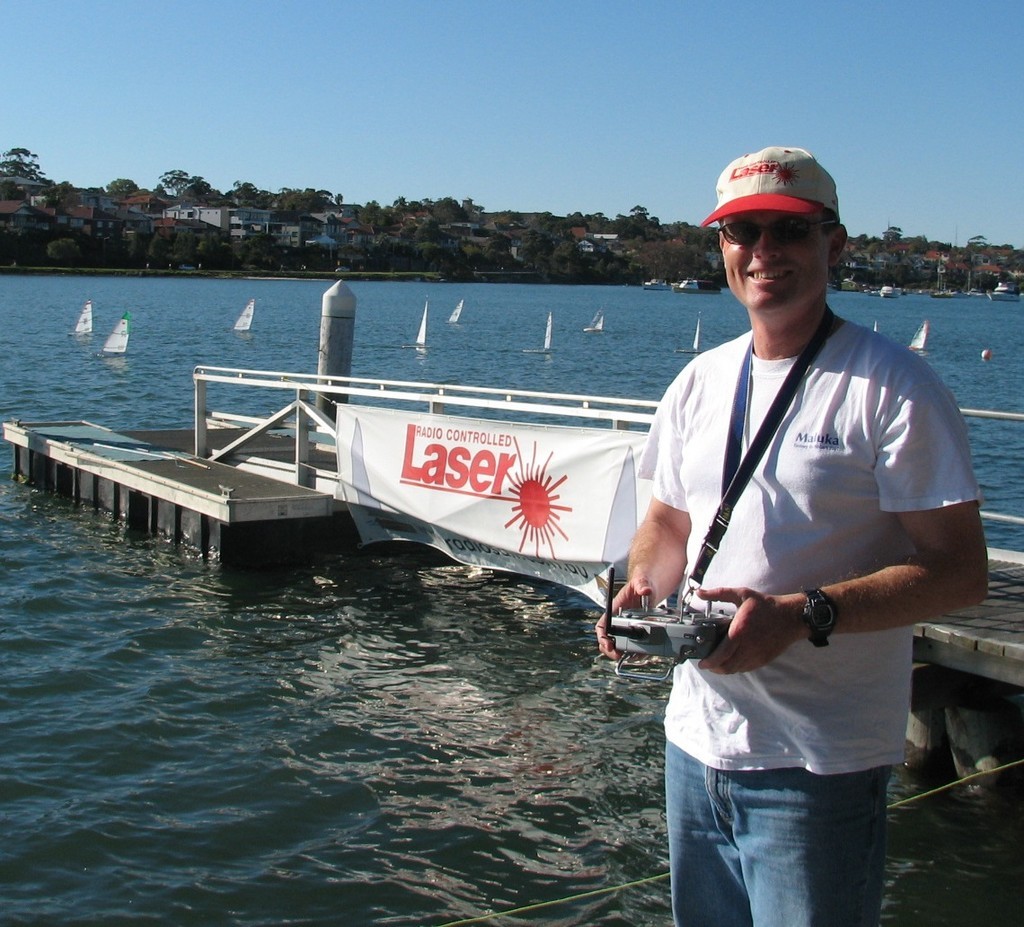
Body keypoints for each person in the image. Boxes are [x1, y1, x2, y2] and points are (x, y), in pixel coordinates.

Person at [596, 146, 988, 927]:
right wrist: (638, 586)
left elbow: (959, 572)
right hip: (693, 746)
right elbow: (668, 522)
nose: (764, 251)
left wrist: (804, 614)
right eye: (744, 231)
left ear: (834, 246)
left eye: (791, 231)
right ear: (722, 249)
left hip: (819, 765)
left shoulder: (894, 385)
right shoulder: (698, 382)